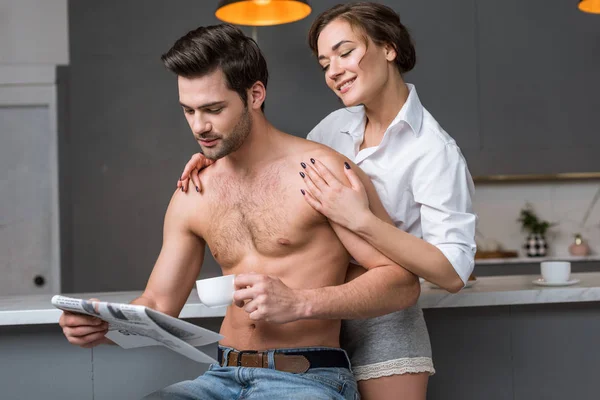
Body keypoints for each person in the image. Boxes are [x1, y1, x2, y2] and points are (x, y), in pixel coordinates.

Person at [58, 23, 421, 400]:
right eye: (189, 111)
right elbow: (157, 305)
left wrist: (301, 303)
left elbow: (400, 283)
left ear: (255, 94)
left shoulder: (320, 172)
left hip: (305, 378)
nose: (200, 126)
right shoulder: (194, 191)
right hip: (219, 377)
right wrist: (106, 327)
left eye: (213, 109)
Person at [177, 3, 477, 399]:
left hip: (381, 308)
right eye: (324, 62)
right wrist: (219, 154)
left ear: (388, 48)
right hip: (307, 315)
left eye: (345, 51)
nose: (333, 70)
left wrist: (362, 221)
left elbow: (453, 272)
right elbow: (277, 161)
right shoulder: (335, 127)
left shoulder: (434, 151)